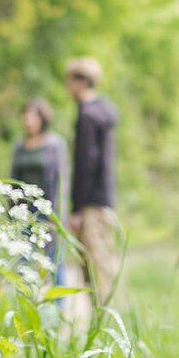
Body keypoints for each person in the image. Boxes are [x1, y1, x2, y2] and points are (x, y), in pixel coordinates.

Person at [64, 56, 120, 317]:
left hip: (89, 204)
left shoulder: (87, 115)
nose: (67, 88)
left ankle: (104, 321)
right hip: (104, 200)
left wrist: (76, 209)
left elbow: (87, 164)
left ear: (83, 82)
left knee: (95, 266)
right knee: (103, 262)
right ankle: (105, 319)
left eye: (70, 81)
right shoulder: (103, 111)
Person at [11, 96, 68, 277]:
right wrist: (11, 210)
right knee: (23, 260)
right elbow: (13, 180)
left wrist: (56, 214)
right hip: (23, 210)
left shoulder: (54, 145)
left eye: (33, 116)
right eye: (26, 115)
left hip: (47, 210)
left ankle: (57, 303)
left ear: (42, 119)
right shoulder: (19, 147)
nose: (28, 120)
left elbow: (59, 180)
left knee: (53, 258)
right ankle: (26, 300)